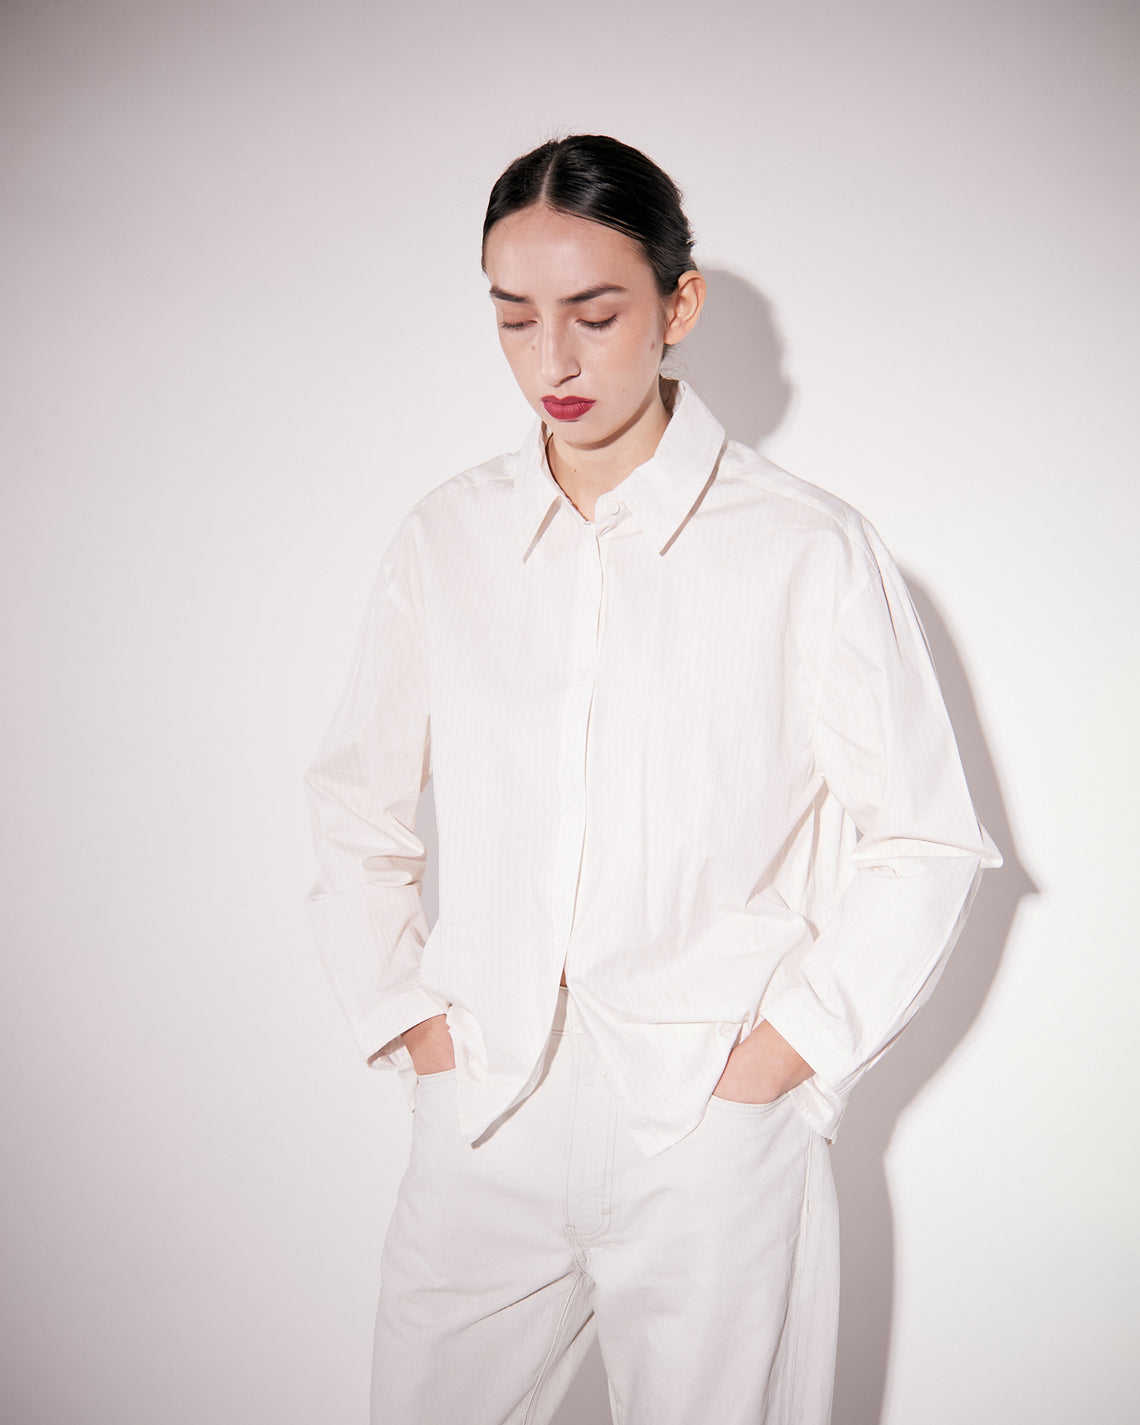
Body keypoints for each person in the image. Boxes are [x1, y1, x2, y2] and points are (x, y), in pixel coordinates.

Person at [304, 134, 1001, 1425]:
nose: (552, 363)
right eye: (514, 318)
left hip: (708, 1134)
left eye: (595, 313)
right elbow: (356, 801)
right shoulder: (447, 538)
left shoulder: (806, 548)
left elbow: (925, 838)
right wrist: (409, 1021)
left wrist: (784, 1062)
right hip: (486, 1118)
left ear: (679, 306)